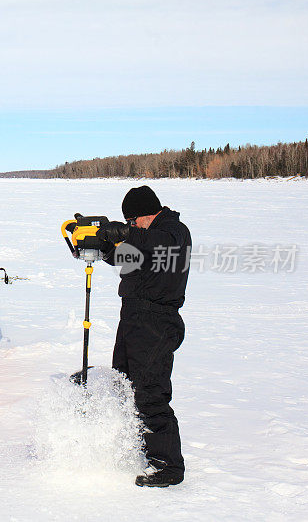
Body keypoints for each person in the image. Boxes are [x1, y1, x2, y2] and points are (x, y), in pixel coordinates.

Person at [96, 185, 191, 487]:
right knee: (124, 383)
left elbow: (153, 242)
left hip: (157, 321)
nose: (133, 226)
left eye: (133, 221)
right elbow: (128, 257)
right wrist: (101, 247)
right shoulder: (143, 235)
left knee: (150, 391)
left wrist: (124, 231)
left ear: (145, 214)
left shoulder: (174, 231)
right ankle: (138, 448)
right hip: (133, 318)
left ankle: (169, 467)